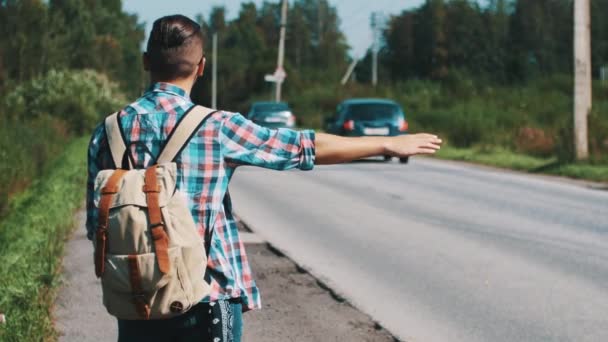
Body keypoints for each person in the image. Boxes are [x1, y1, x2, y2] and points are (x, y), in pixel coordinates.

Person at [86, 14, 442, 342]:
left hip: (136, 301)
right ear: (202, 67)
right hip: (206, 298)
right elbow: (303, 147)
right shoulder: (216, 127)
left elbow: (96, 223)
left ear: (146, 61)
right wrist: (387, 143)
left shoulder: (108, 132)